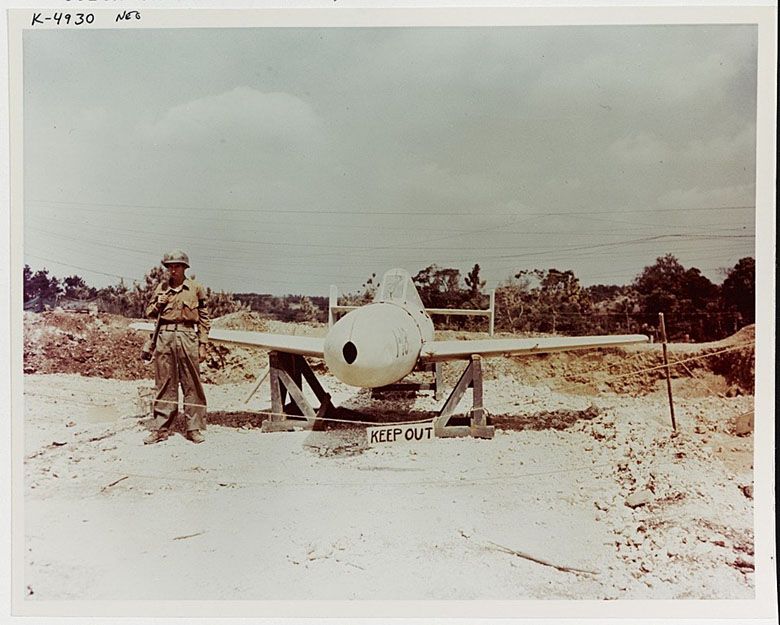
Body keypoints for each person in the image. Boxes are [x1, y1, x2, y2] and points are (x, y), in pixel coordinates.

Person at [143, 250, 211, 444]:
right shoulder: (161, 288)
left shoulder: (195, 288)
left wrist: (203, 344)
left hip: (188, 336)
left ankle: (194, 428)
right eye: (170, 266)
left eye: (177, 266)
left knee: (192, 383)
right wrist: (158, 303)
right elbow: (148, 312)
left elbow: (205, 318)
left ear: (184, 268)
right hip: (164, 336)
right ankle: (161, 428)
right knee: (164, 383)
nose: (173, 270)